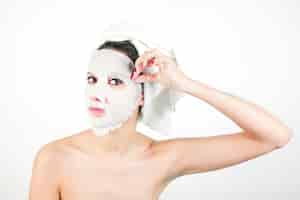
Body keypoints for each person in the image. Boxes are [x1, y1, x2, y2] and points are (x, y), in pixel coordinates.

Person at [29, 40, 293, 200]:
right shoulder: (55, 158)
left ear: (142, 95)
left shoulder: (162, 158)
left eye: (115, 81)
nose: (98, 92)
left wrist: (184, 84)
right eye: (92, 80)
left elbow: (275, 136)